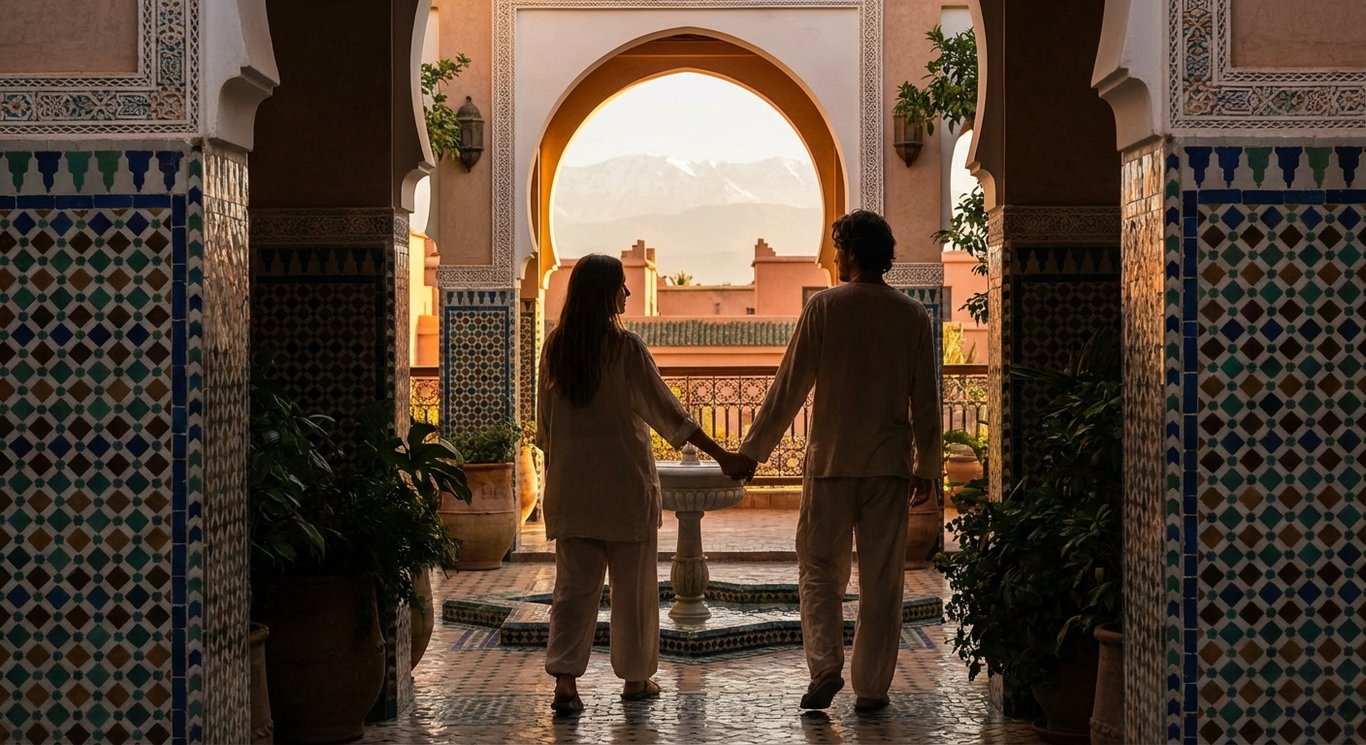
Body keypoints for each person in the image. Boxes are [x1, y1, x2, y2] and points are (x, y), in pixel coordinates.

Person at [734, 210, 941, 714]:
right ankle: (871, 687)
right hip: (889, 467)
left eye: (837, 248)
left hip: (831, 464)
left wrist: (751, 453)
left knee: (820, 571)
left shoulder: (824, 308)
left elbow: (789, 387)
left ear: (849, 252)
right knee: (882, 580)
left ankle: (825, 664)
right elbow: (926, 403)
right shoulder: (913, 316)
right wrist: (928, 468)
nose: (834, 256)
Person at [536, 254, 751, 715]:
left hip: (572, 495)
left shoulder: (555, 348)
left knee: (573, 592)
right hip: (625, 492)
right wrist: (724, 457)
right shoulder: (625, 348)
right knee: (634, 592)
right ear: (605, 293)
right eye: (621, 286)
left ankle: (565, 684)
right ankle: (636, 681)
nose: (627, 295)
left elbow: (545, 430)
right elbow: (670, 416)